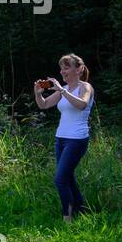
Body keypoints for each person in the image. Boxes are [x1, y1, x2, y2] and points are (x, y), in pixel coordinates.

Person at [34, 53, 94, 221]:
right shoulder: (64, 89)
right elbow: (44, 105)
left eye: (66, 67)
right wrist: (38, 93)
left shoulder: (85, 87)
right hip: (60, 139)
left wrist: (61, 89)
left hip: (77, 140)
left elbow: (81, 104)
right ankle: (81, 210)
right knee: (67, 177)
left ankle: (67, 218)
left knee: (60, 179)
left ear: (79, 69)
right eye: (61, 68)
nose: (62, 71)